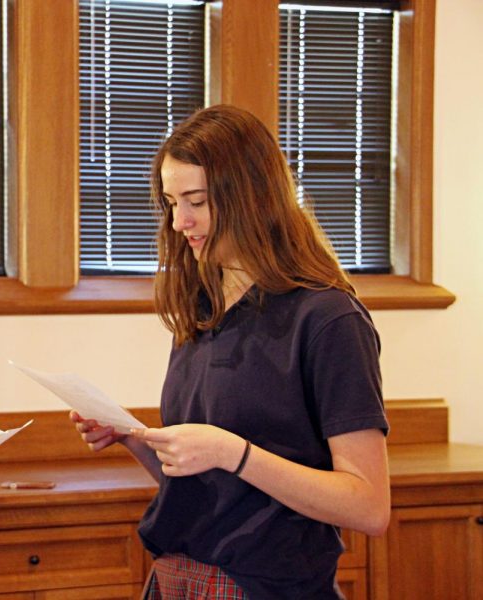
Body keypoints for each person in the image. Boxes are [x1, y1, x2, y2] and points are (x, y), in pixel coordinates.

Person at [70, 105, 390, 599]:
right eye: (171, 202)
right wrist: (134, 438)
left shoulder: (328, 319)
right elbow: (212, 486)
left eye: (195, 201)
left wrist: (233, 452)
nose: (179, 222)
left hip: (265, 586)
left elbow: (369, 506)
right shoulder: (204, 308)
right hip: (177, 579)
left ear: (251, 197)